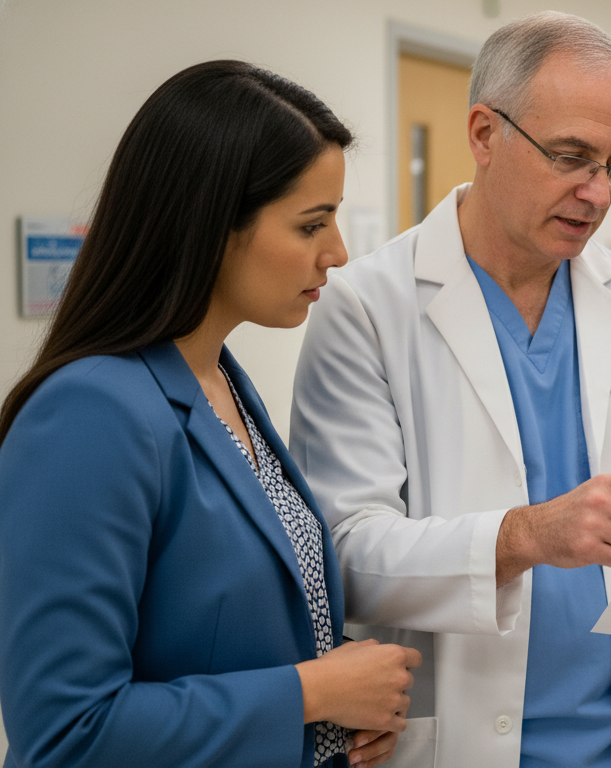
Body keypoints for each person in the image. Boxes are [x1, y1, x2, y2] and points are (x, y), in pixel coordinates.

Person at [289, 12, 611, 768]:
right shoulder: (366, 307)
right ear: (484, 134)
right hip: (457, 741)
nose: (596, 192)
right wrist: (525, 537)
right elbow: (343, 555)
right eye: (570, 157)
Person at [0, 61, 423, 768]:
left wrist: (342, 696)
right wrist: (312, 694)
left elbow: (217, 632)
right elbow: (65, 734)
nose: (337, 252)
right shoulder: (90, 413)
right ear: (212, 226)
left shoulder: (219, 380)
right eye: (311, 224)